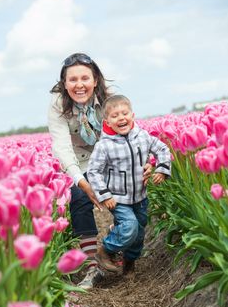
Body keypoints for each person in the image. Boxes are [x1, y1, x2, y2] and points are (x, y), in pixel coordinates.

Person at [48, 53, 153, 289]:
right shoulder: (57, 107)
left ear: (95, 79)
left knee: (132, 201)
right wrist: (82, 183)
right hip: (82, 161)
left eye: (85, 78)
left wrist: (146, 160)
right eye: (72, 79)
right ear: (64, 83)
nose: (79, 85)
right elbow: (62, 148)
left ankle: (123, 250)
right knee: (78, 198)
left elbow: (132, 129)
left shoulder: (110, 97)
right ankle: (93, 265)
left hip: (115, 157)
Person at [87, 95, 171, 277]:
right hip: (118, 199)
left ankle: (129, 262)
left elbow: (162, 149)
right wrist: (105, 195)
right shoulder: (104, 146)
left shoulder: (142, 136)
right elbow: (93, 171)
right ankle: (106, 251)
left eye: (125, 113)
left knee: (139, 232)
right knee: (129, 226)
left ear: (132, 115)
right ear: (107, 121)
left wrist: (162, 169)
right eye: (115, 115)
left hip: (140, 196)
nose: (121, 118)